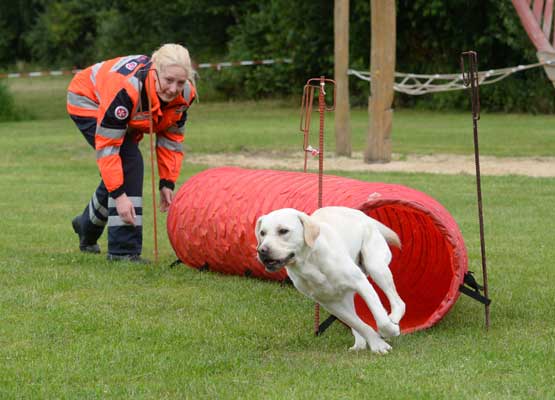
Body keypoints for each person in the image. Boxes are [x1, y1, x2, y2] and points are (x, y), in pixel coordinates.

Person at [67, 43, 196, 263]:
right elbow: (108, 147)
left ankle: (86, 225)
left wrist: (167, 182)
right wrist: (119, 196)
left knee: (123, 169)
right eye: (168, 80)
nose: (174, 89)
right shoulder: (127, 89)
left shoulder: (184, 95)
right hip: (87, 99)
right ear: (154, 72)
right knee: (129, 161)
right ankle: (123, 251)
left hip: (118, 108)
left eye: (180, 82)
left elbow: (171, 139)